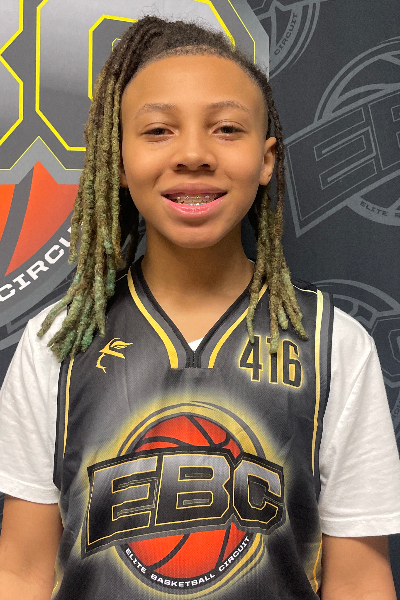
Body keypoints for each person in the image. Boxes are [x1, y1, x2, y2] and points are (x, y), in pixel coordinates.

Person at [0, 15, 399, 600]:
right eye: (158, 130)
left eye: (227, 129)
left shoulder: (333, 343)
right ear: (119, 158)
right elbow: (21, 571)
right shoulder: (56, 341)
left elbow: (360, 581)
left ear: (267, 159)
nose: (192, 154)